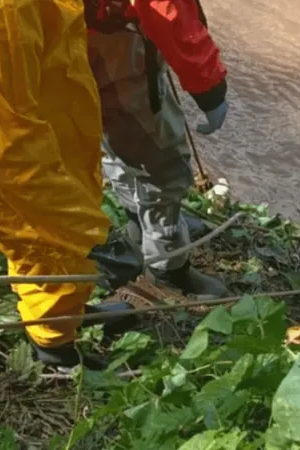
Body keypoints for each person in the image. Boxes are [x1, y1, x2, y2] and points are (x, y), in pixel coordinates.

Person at [0, 0, 145, 371]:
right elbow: (16, 157)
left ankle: (68, 314)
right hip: (28, 171)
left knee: (42, 249)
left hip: (44, 131)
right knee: (49, 247)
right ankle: (57, 351)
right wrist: (92, 237)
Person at [83, 0, 230, 298]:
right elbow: (166, 10)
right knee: (163, 166)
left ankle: (141, 222)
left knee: (116, 135)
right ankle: (168, 267)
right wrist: (210, 89)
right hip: (115, 43)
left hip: (82, 36)